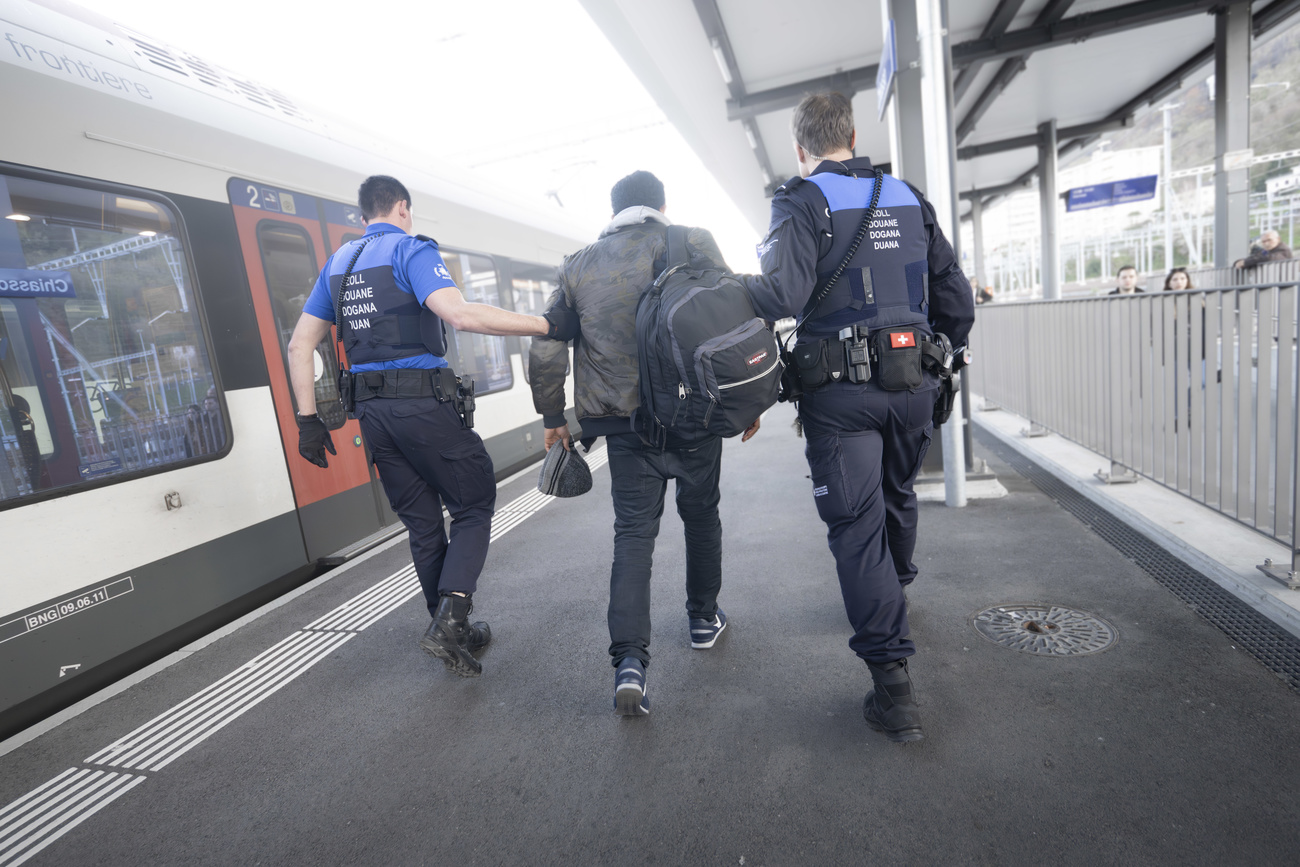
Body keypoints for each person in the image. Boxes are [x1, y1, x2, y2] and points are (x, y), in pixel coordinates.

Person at [737, 92, 974, 743]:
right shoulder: (905, 194)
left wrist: (727, 286)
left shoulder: (801, 200)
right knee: (899, 495)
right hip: (916, 381)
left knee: (856, 525)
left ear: (800, 146)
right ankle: (896, 590)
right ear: (851, 132)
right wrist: (943, 350)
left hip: (840, 395)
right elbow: (952, 292)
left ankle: (894, 688)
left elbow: (782, 294)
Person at [287, 175, 564, 678]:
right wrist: (546, 325)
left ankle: (451, 629)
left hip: (371, 417)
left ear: (362, 215)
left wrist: (307, 421)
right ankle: (450, 619)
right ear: (402, 208)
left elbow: (299, 345)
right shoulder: (409, 250)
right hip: (421, 405)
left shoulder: (337, 265)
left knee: (421, 523)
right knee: (474, 503)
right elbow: (457, 315)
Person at [528, 170, 757, 717]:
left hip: (623, 428)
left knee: (633, 536)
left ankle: (629, 663)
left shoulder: (579, 264)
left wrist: (552, 415)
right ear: (659, 206)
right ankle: (703, 620)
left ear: (614, 212)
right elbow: (733, 318)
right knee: (701, 518)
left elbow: (546, 342)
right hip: (694, 417)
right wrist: (749, 402)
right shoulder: (689, 241)